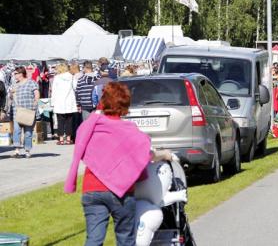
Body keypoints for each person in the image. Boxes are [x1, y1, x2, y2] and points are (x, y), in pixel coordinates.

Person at [64, 82, 174, 246]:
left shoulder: (91, 126)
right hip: (121, 193)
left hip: (92, 189)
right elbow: (147, 154)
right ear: (125, 105)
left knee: (93, 239)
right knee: (125, 238)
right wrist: (165, 154)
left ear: (103, 101)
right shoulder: (129, 130)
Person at [9, 66, 40, 158]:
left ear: (21, 74)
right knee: (17, 131)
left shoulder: (31, 83)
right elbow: (11, 98)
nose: (14, 75)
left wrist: (35, 103)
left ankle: (27, 150)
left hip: (28, 111)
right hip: (17, 111)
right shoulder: (15, 84)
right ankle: (17, 150)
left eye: (15, 73)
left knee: (28, 132)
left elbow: (36, 93)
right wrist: (11, 94)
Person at [51, 63, 78, 145]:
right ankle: (69, 139)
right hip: (70, 102)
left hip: (59, 102)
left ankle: (61, 139)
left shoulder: (56, 78)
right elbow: (75, 87)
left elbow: (54, 91)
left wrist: (53, 103)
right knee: (69, 121)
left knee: (60, 121)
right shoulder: (72, 77)